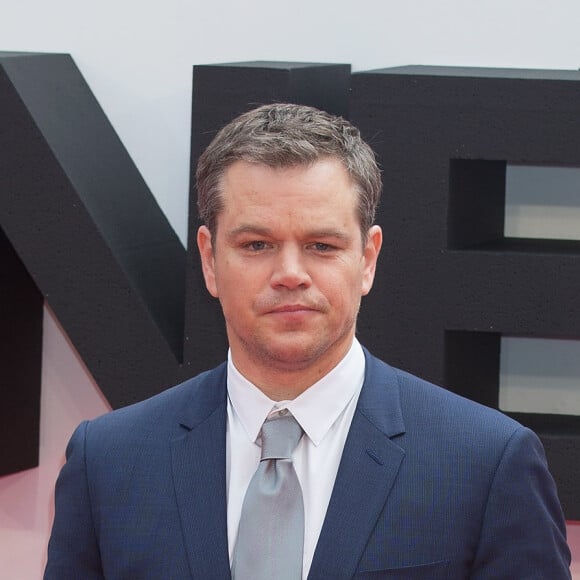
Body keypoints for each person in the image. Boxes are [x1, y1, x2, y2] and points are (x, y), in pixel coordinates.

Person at [44, 103, 571, 579]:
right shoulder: (108, 462)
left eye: (321, 245)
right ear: (209, 259)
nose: (290, 273)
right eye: (256, 244)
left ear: (367, 258)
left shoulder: (487, 462)